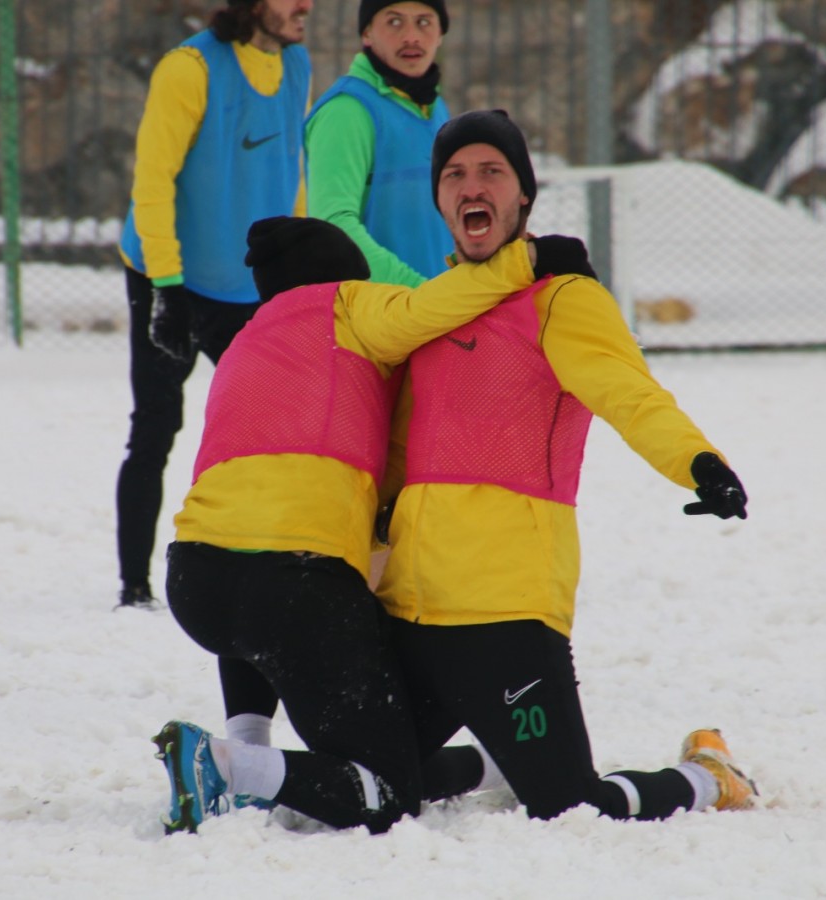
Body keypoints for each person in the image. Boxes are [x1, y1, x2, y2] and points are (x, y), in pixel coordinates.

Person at [152, 216, 596, 834]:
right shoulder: (351, 305)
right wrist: (529, 262)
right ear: (348, 278)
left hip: (194, 580)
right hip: (293, 585)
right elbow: (437, 305)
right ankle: (231, 769)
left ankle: (246, 749)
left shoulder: (246, 343)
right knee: (385, 790)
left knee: (252, 584)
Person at [376, 109, 760, 822]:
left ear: (522, 196)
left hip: (506, 606)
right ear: (437, 199)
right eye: (455, 175)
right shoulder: (433, 309)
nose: (472, 186)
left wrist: (698, 462)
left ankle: (707, 778)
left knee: (566, 804)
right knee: (378, 781)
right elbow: (397, 448)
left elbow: (629, 393)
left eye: (492, 171)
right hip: (410, 602)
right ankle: (498, 760)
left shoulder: (561, 299)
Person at [114, 0, 313, 751]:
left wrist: (291, 270)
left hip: (245, 289)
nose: (306, 7)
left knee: (270, 431)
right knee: (156, 426)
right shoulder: (188, 68)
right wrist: (165, 287)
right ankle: (133, 585)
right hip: (168, 275)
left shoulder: (295, 63)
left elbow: (290, 171)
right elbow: (153, 180)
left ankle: (271, 553)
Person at [304, 1, 452, 286]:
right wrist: (417, 292)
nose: (411, 36)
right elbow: (333, 225)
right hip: (384, 314)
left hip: (440, 310)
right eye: (394, 22)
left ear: (441, 34)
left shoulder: (434, 107)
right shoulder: (346, 111)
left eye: (424, 22)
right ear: (367, 33)